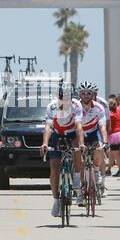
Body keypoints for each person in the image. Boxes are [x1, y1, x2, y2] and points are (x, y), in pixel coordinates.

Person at [40, 82, 86, 217]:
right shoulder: (52, 106)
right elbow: (48, 127)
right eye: (61, 97)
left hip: (72, 134)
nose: (64, 100)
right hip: (57, 135)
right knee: (54, 168)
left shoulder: (77, 105)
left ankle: (77, 180)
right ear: (58, 96)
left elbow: (78, 126)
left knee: (77, 147)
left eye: (66, 98)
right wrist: (44, 143)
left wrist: (82, 143)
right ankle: (56, 201)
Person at [75, 81, 108, 205]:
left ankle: (96, 171)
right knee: (81, 162)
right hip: (79, 135)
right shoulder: (75, 106)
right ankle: (80, 192)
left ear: (93, 94)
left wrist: (105, 142)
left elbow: (102, 126)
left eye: (89, 93)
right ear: (80, 94)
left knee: (99, 148)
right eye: (83, 93)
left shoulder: (99, 108)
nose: (86, 96)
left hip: (93, 134)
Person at [107, 97, 120, 177]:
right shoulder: (118, 111)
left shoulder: (109, 114)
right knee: (113, 153)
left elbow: (109, 126)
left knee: (116, 154)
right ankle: (108, 170)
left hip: (114, 134)